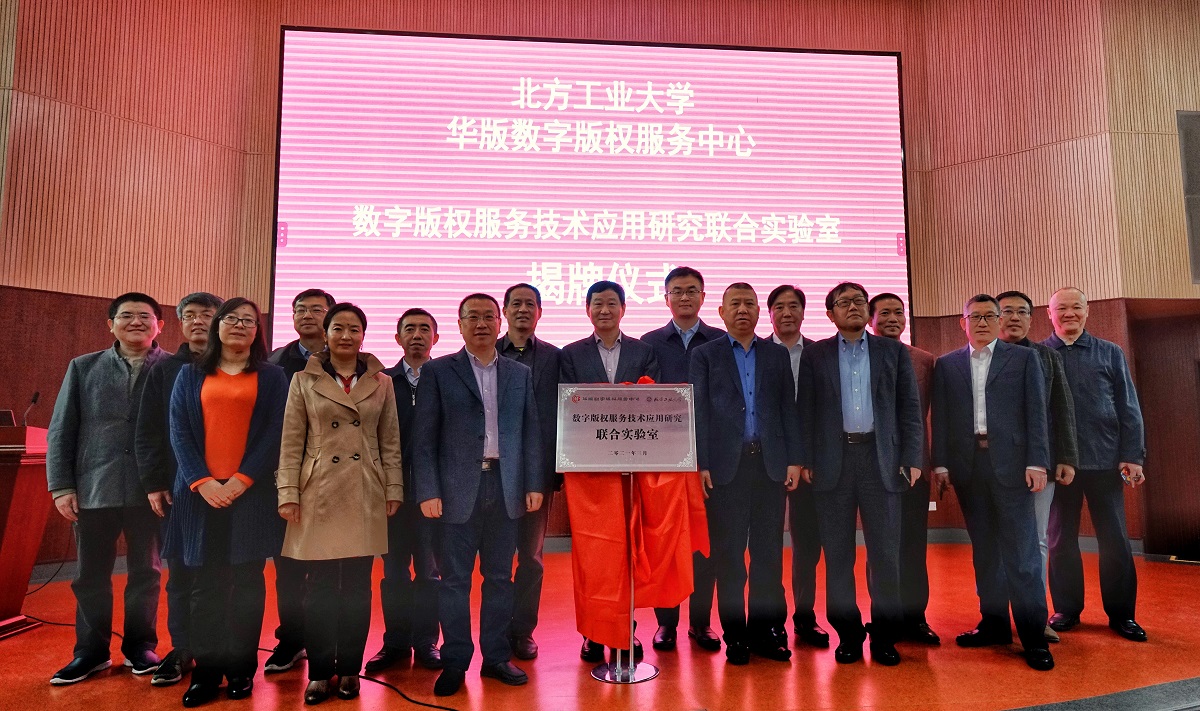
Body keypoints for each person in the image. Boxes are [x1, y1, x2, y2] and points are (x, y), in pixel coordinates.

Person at [412, 293, 544, 697]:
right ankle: (455, 660)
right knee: (454, 581)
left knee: (500, 579)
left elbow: (530, 433)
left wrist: (533, 483)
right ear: (460, 324)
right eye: (473, 317)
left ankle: (496, 657)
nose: (482, 323)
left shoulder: (519, 373)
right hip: (455, 491)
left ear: (500, 322)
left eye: (489, 316)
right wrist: (428, 490)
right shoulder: (438, 371)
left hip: (505, 487)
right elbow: (423, 439)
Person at [277, 303, 404, 704]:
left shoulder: (382, 382)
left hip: (365, 489)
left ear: (363, 335)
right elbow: (291, 442)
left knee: (356, 588)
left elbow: (390, 442)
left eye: (354, 329)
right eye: (338, 328)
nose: (346, 335)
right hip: (317, 491)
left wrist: (394, 489)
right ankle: (318, 672)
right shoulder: (302, 380)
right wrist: (288, 493)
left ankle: (349, 668)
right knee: (317, 589)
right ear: (326, 334)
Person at [166, 297, 288, 706]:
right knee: (205, 587)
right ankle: (206, 672)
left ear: (257, 331)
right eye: (231, 318)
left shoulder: (272, 377)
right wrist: (202, 482)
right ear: (217, 326)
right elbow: (179, 431)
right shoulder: (190, 374)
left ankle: (240, 671)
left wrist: (241, 480)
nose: (239, 325)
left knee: (247, 586)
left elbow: (275, 432)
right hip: (200, 495)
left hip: (251, 494)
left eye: (248, 320)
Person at [796, 282, 922, 667]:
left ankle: (885, 635)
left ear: (868, 311)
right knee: (838, 556)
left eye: (858, 301)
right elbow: (806, 411)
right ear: (830, 314)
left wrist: (912, 456)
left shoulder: (892, 351)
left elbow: (909, 408)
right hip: (832, 463)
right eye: (843, 302)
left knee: (885, 554)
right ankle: (848, 634)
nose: (852, 307)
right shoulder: (815, 354)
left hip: (881, 459)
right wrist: (806, 459)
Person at [47, 293, 170, 684]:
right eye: (126, 315)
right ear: (110, 324)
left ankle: (140, 647)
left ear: (159, 325)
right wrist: (61, 485)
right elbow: (62, 428)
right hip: (93, 487)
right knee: (90, 575)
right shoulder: (83, 367)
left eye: (145, 316)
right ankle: (90, 652)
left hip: (151, 490)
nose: (136, 322)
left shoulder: (173, 368)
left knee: (146, 572)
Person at [931, 294, 1054, 671]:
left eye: (989, 316)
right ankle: (995, 624)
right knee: (985, 551)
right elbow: (942, 418)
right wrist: (941, 464)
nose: (982, 322)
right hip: (969, 469)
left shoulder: (1024, 359)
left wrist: (1037, 462)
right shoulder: (947, 364)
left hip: (1014, 468)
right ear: (963, 322)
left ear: (999, 321)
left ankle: (1033, 636)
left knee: (1022, 554)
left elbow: (1037, 413)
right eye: (975, 316)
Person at [690, 283, 803, 665]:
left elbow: (788, 409)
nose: (743, 310)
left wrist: (793, 459)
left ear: (759, 312)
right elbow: (698, 412)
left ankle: (763, 633)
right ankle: (735, 635)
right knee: (730, 557)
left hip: (769, 467)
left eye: (749, 304)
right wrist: (702, 463)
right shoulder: (706, 355)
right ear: (721, 312)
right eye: (735, 304)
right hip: (726, 470)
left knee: (768, 556)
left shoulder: (776, 354)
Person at [559, 280, 660, 662]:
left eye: (612, 303)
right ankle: (593, 632)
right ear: (587, 310)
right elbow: (567, 409)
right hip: (590, 474)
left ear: (623, 309)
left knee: (628, 553)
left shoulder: (643, 351)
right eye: (598, 304)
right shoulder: (571, 354)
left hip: (634, 471)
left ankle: (624, 630)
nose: (605, 310)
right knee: (593, 556)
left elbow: (653, 404)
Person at [1043, 287, 1147, 642]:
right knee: (1060, 540)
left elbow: (1128, 407)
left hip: (1106, 461)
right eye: (1062, 308)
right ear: (1050, 314)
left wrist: (1133, 455)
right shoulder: (1039, 355)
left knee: (1115, 539)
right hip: (1060, 465)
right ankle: (1066, 609)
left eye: (1076, 307)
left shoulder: (1110, 352)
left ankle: (1122, 615)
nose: (1069, 314)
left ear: (1087, 312)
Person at [136, 292, 224, 686]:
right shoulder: (165, 370)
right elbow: (148, 431)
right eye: (189, 315)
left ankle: (221, 649)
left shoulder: (238, 366)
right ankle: (183, 648)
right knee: (182, 574)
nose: (198, 321)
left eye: (207, 314)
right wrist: (155, 482)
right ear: (180, 323)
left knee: (225, 575)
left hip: (233, 488)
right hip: (179, 489)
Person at [640, 267, 725, 653]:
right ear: (666, 298)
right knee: (665, 543)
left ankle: (701, 622)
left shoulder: (720, 340)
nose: (685, 297)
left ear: (704, 297)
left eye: (692, 291)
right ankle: (666, 623)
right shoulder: (649, 343)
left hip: (712, 458)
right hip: (665, 460)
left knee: (706, 544)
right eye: (678, 291)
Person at [996, 290, 1079, 644]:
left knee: (1038, 540)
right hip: (993, 467)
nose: (1014, 317)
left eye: (1022, 312)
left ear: (1032, 319)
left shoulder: (1046, 357)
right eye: (1007, 311)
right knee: (996, 543)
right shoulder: (980, 356)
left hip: (1040, 465)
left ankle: (1035, 616)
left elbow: (1062, 409)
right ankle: (997, 618)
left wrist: (1066, 457)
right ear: (994, 317)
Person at [263, 287, 336, 674]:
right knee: (288, 565)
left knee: (332, 566)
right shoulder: (274, 363)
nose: (307, 315)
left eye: (316, 309)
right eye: (300, 309)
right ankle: (291, 639)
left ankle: (329, 640)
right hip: (287, 476)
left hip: (337, 477)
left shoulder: (349, 360)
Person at [369, 309, 443, 672]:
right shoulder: (381, 381)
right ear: (397, 338)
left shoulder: (445, 379)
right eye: (409, 329)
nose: (417, 335)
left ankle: (427, 642)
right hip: (391, 495)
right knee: (394, 571)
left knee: (430, 572)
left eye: (424, 329)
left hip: (432, 494)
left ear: (436, 338)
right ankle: (395, 643)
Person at [867, 292, 941, 645]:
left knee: (913, 546)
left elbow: (933, 415)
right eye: (884, 313)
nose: (893, 318)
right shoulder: (859, 357)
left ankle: (915, 618)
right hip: (873, 468)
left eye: (899, 312)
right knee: (880, 548)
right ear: (871, 320)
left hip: (914, 467)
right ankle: (885, 618)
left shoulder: (924, 360)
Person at [498, 284, 562, 660]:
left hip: (538, 472)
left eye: (530, 304)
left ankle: (523, 630)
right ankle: (496, 629)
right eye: (516, 303)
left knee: (531, 557)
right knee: (497, 557)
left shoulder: (556, 357)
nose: (523, 309)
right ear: (504, 311)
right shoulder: (488, 353)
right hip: (495, 472)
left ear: (540, 312)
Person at [767, 284, 829, 649]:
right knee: (767, 546)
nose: (787, 312)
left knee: (807, 544)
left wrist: (808, 459)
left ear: (804, 313)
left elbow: (826, 412)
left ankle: (805, 618)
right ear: (770, 313)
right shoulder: (757, 353)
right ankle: (771, 620)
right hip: (765, 462)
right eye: (779, 306)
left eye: (794, 306)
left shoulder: (820, 354)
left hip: (809, 466)